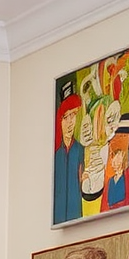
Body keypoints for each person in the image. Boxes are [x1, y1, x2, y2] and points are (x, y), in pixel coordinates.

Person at [53, 93, 84, 225]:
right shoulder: (55, 153)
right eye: (66, 117)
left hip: (76, 215)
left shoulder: (79, 149)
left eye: (74, 115)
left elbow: (81, 177)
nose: (71, 122)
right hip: (58, 214)